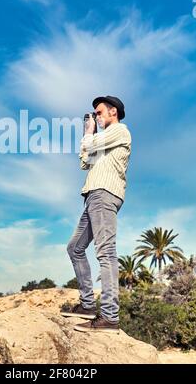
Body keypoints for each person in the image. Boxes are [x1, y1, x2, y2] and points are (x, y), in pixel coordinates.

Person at [61, 96, 132, 333]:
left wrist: (89, 132)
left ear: (113, 112)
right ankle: (88, 305)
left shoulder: (120, 131)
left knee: (106, 252)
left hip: (105, 193)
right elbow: (85, 161)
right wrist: (88, 134)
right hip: (93, 196)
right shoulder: (101, 140)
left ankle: (110, 316)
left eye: (99, 112)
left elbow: (88, 146)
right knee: (75, 248)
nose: (96, 116)